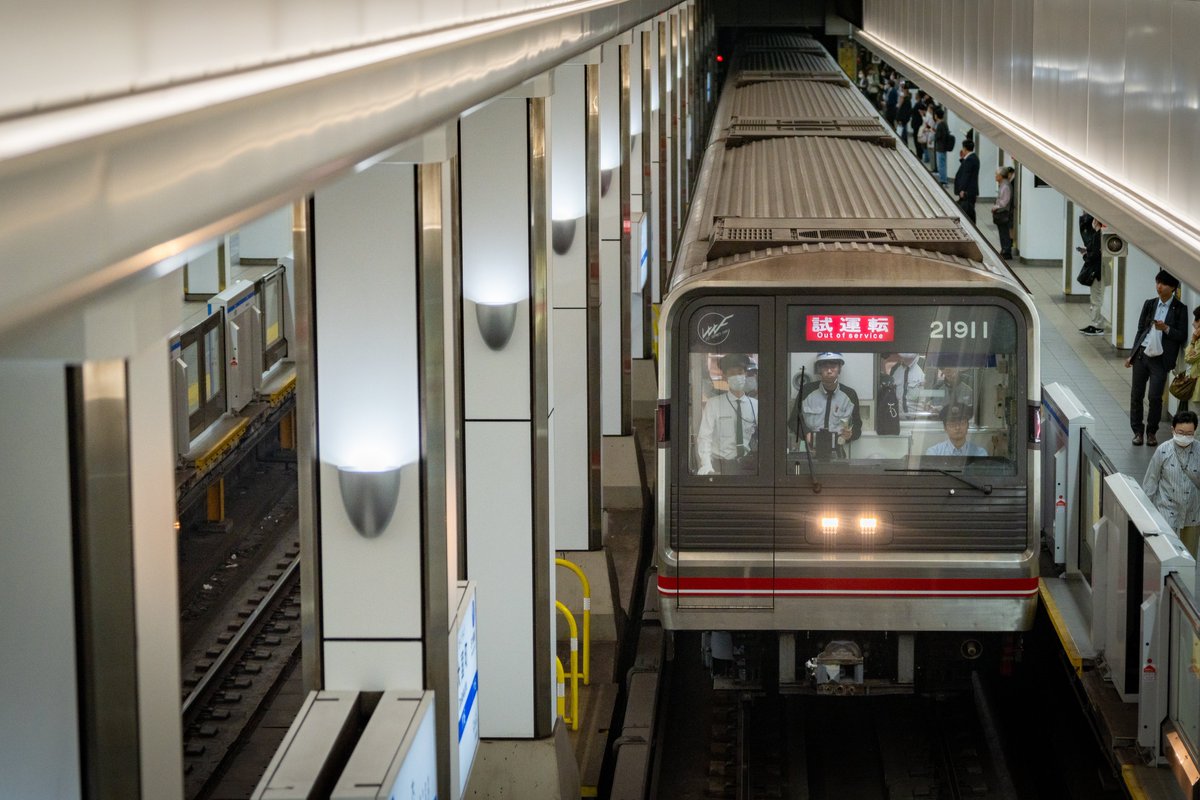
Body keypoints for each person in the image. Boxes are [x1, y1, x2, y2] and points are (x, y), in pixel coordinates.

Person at [1127, 270, 1189, 446]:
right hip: (1142, 354)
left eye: (1163, 284)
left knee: (1155, 397)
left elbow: (1181, 335)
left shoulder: (1180, 309)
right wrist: (1131, 355)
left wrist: (1166, 329)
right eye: (1157, 283)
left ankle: (1151, 432)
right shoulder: (1150, 304)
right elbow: (1141, 330)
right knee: (1136, 395)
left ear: (1173, 288)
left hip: (1161, 359)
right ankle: (1137, 431)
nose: (1159, 287)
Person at [1142, 410, 1200, 557]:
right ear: (1173, 429)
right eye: (1181, 432)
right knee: (1166, 553)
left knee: (1189, 555)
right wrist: (1146, 513)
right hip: (1167, 509)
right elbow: (1151, 481)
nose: (1185, 437)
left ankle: (1185, 580)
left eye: (1189, 434)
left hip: (1192, 511)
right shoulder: (1163, 451)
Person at [790, 352, 863, 458]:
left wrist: (849, 435)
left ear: (839, 369)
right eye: (825, 367)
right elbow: (793, 421)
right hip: (809, 453)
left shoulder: (850, 394)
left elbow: (857, 428)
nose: (829, 371)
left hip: (837, 454)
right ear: (819, 369)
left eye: (833, 367)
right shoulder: (806, 391)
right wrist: (806, 434)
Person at [695, 353, 759, 475]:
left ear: (745, 374)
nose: (737, 376)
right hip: (721, 467)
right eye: (732, 373)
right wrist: (707, 466)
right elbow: (704, 438)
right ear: (725, 377)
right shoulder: (714, 404)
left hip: (747, 466)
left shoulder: (755, 405)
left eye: (740, 372)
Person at [1077, 214, 1108, 336]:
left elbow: (1094, 256)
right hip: (1101, 270)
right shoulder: (1102, 235)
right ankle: (1098, 323)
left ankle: (1098, 325)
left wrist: (1085, 255)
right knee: (1097, 298)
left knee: (1096, 298)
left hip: (1097, 272)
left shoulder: (1098, 235)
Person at [882, 353, 925, 417]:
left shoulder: (925, 365)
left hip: (917, 421)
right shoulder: (894, 368)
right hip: (897, 419)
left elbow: (930, 398)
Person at [991, 166, 1015, 259]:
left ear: (1001, 176)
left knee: (1004, 232)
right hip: (1002, 213)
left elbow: (1004, 201)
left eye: (996, 174)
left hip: (1004, 213)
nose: (995, 176)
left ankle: (1006, 251)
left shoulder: (1005, 186)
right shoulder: (1004, 184)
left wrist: (995, 207)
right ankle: (1004, 249)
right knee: (1003, 232)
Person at [954, 138, 980, 224]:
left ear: (965, 148)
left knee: (968, 212)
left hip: (967, 192)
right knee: (969, 211)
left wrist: (962, 190)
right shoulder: (973, 158)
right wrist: (962, 158)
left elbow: (966, 175)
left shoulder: (970, 159)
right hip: (971, 191)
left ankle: (971, 228)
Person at [1181, 309, 1200, 412]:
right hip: (1194, 382)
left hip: (1197, 386)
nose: (1193, 323)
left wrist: (1193, 340)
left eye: (1196, 320)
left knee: (1195, 416)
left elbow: (1188, 358)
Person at [932, 107, 952, 185]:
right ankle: (943, 179)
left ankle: (943, 180)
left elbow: (938, 136)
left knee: (941, 164)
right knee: (942, 163)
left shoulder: (940, 124)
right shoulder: (944, 124)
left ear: (936, 116)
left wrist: (934, 133)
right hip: (943, 147)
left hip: (940, 147)